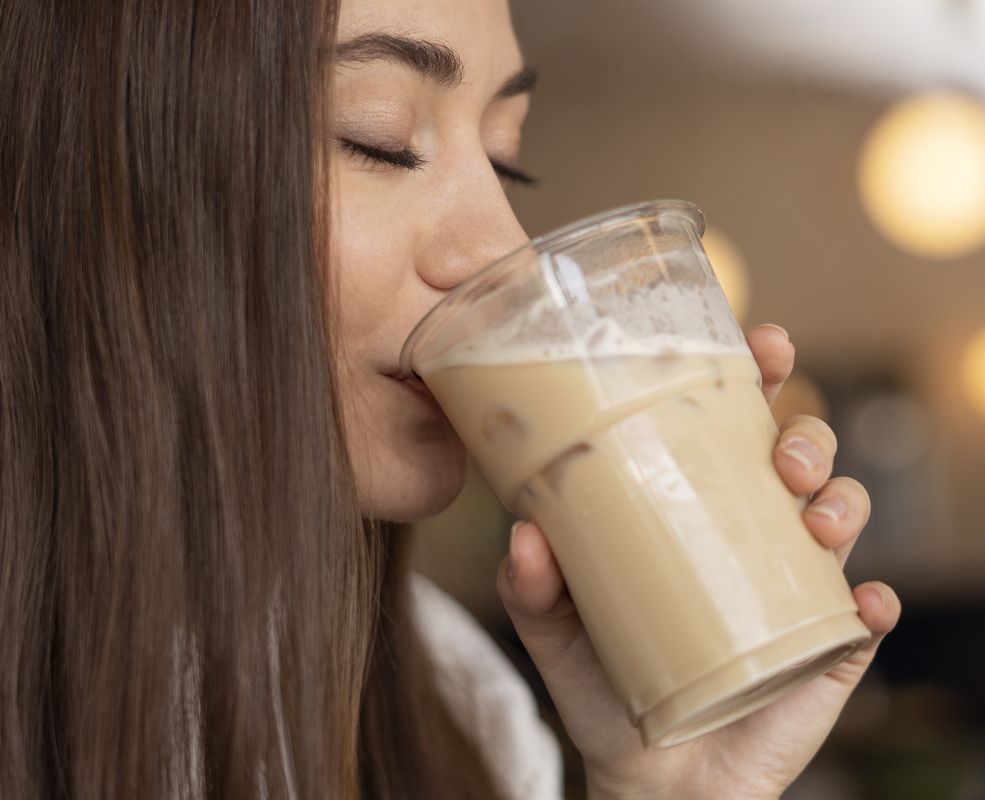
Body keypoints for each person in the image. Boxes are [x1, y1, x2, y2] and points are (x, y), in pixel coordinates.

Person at [0, 0, 900, 797]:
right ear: (98, 175)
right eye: (379, 138)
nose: (501, 252)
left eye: (506, 162)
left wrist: (679, 792)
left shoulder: (462, 709)